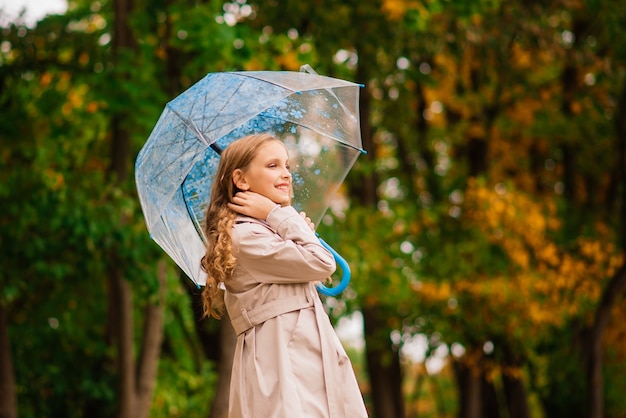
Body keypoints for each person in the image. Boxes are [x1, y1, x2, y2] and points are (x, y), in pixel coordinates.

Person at [200, 133, 368, 418]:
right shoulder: (244, 236)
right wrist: (282, 218)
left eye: (287, 166)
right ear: (241, 180)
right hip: (283, 368)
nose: (286, 174)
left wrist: (284, 224)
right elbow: (322, 263)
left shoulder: (268, 229)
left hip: (310, 363)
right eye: (273, 165)